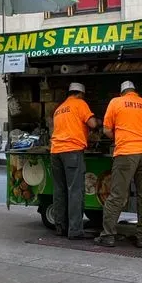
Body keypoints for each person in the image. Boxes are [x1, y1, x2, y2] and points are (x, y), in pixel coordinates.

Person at [94, 81, 142, 248]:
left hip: (126, 153)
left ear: (122, 92)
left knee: (117, 194)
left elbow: (106, 129)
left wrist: (122, 139)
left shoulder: (116, 102)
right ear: (135, 92)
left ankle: (108, 235)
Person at [50, 82, 98, 239]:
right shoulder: (80, 104)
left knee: (59, 191)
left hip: (55, 152)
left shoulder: (59, 109)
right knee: (75, 191)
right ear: (81, 94)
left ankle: (60, 227)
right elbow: (92, 123)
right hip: (71, 151)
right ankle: (75, 230)